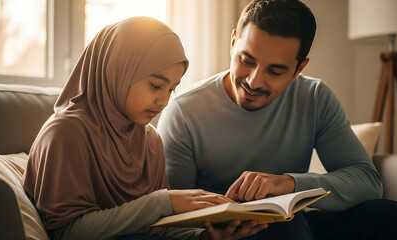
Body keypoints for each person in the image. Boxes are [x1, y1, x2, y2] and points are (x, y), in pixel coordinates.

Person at [157, 0, 397, 239]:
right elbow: (171, 217)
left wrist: (289, 183)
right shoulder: (184, 112)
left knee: (393, 216)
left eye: (275, 70)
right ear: (233, 42)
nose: (253, 81)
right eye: (246, 60)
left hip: (293, 221)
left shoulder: (314, 97)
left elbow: (367, 181)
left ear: (299, 69)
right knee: (287, 229)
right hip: (227, 234)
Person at [22, 17, 267, 240]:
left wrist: (206, 237)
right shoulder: (66, 133)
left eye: (171, 89)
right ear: (118, 71)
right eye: (155, 85)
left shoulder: (150, 140)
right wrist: (162, 202)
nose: (164, 101)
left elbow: (162, 227)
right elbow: (68, 232)